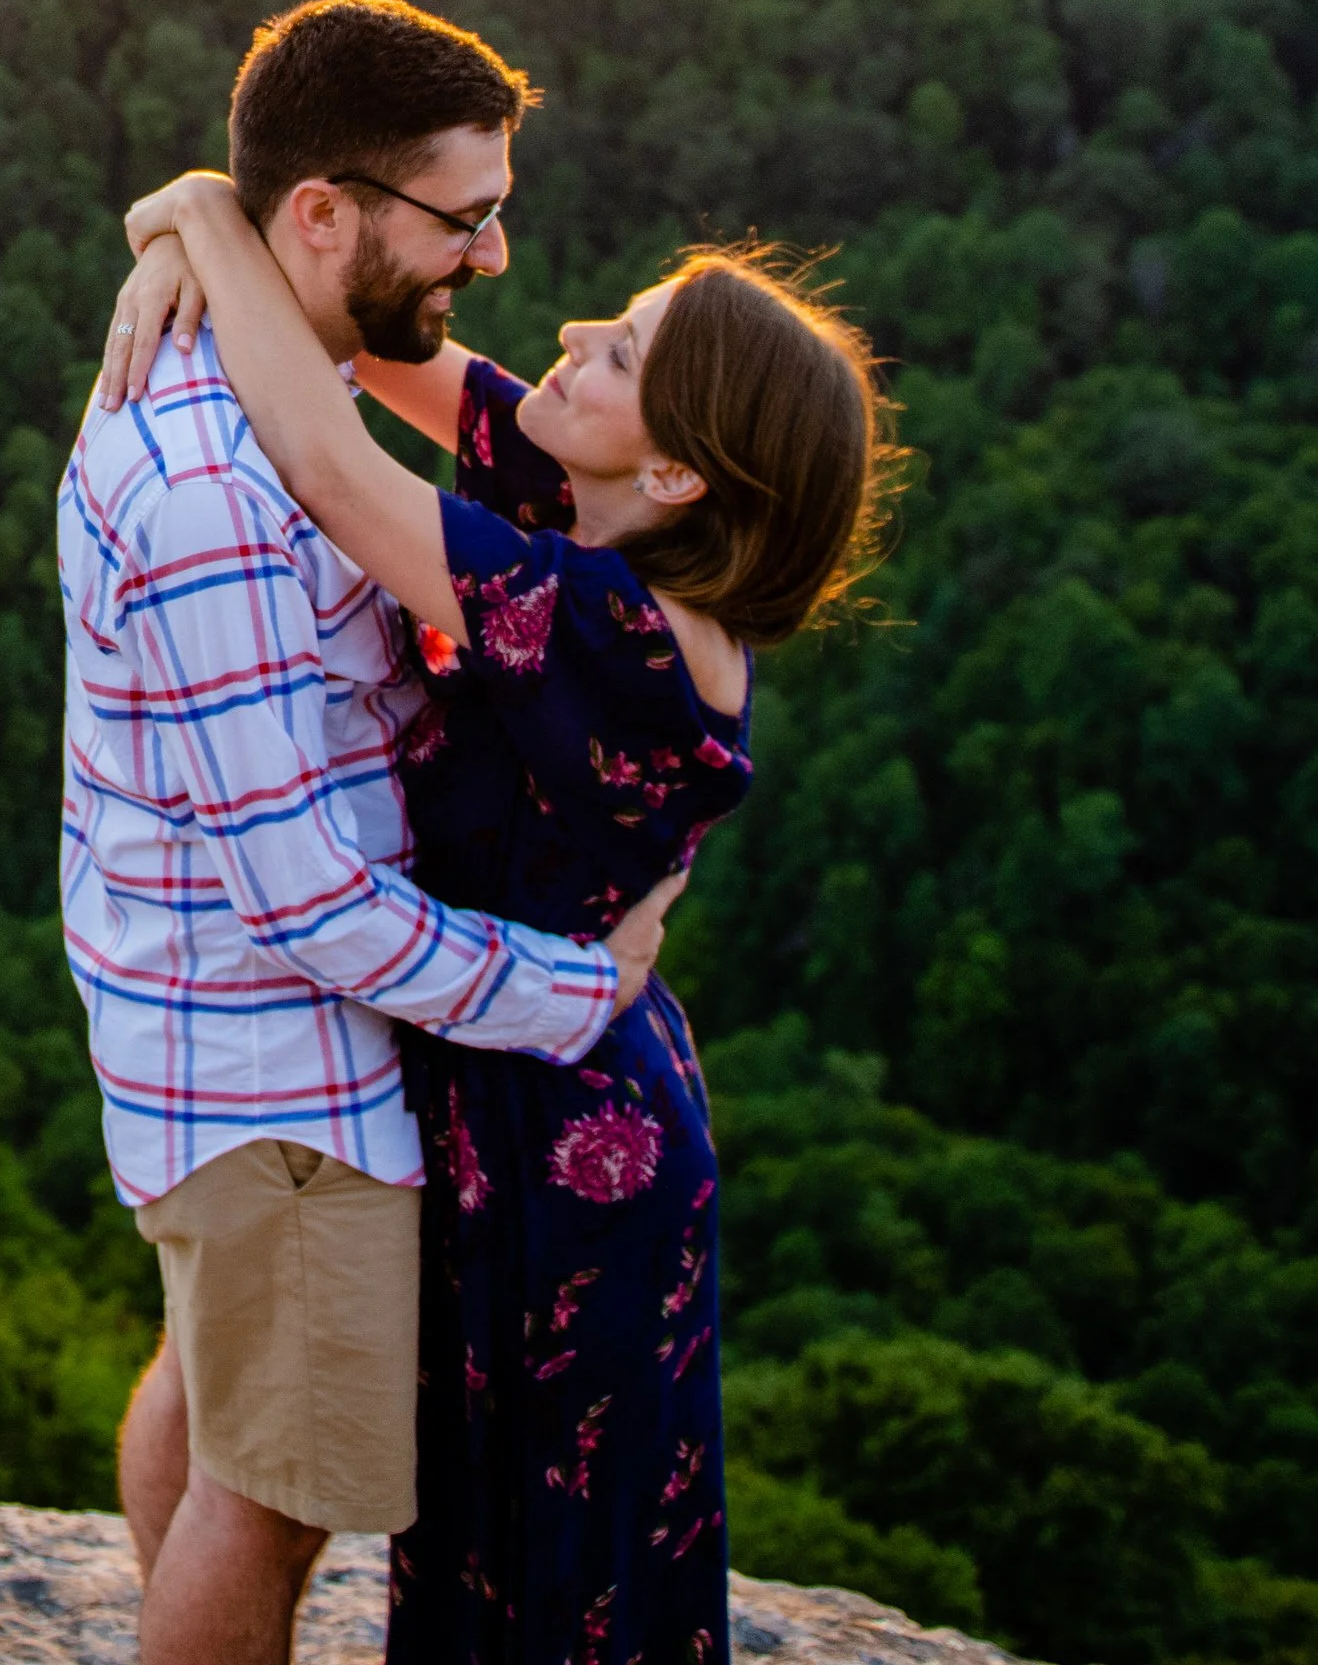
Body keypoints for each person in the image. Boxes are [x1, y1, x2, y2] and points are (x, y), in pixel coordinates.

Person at [104, 162, 895, 1665]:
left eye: (622, 352)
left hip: (558, 1142)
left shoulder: (618, 629)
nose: (575, 337)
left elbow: (328, 459)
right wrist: (215, 231)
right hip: (496, 1058)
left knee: (545, 1559)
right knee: (347, 1454)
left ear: (680, 473)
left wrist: (203, 215)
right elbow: (390, 348)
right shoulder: (590, 515)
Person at [59, 0, 682, 1665]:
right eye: (464, 217)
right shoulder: (221, 487)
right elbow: (312, 905)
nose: (496, 257)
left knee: (218, 1406)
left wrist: (199, 214)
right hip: (281, 1067)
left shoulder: (271, 385)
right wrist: (581, 993)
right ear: (327, 214)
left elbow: (365, 442)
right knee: (268, 1498)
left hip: (208, 1029)